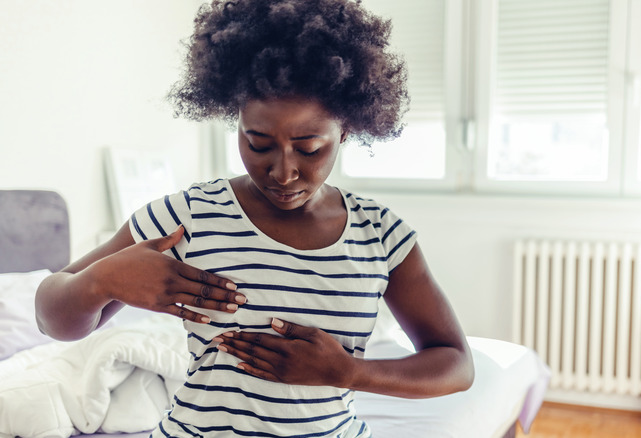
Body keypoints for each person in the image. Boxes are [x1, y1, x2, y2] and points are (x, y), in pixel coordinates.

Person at [35, 0, 474, 436]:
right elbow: (50, 316)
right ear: (236, 122)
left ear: (346, 130)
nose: (283, 172)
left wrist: (350, 372)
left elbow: (456, 365)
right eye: (258, 143)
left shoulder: (381, 235)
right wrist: (101, 282)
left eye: (309, 147)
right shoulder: (187, 215)